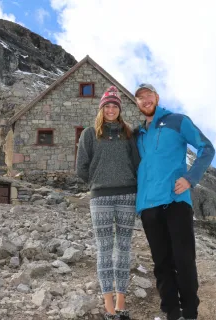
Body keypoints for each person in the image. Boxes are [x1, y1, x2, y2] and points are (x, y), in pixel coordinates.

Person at [134, 83, 215, 320]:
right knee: (161, 262)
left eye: (148, 96)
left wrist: (190, 178)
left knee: (183, 259)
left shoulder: (177, 121)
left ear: (156, 98)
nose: (145, 100)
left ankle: (190, 312)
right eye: (140, 98)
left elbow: (206, 148)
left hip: (175, 201)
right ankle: (171, 311)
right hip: (148, 206)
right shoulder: (139, 134)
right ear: (136, 103)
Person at [76, 86, 140, 320]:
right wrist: (96, 181)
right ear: (101, 109)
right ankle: (109, 307)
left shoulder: (129, 133)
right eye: (107, 106)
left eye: (115, 106)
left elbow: (137, 163)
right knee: (104, 249)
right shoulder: (89, 134)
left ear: (119, 110)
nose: (111, 109)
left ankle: (122, 304)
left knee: (123, 248)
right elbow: (81, 167)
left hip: (127, 196)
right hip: (100, 197)